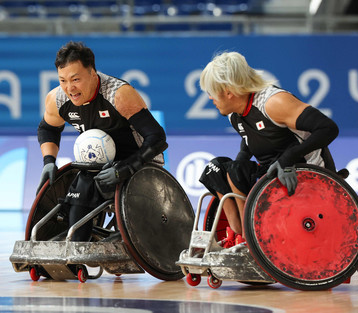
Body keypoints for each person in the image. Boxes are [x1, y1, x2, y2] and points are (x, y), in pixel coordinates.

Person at [199, 51, 339, 248]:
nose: (210, 98)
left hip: (304, 172)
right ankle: (237, 232)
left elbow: (328, 128)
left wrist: (288, 158)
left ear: (229, 91)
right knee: (215, 169)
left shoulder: (272, 103)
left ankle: (249, 239)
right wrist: (237, 166)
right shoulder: (234, 114)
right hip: (271, 174)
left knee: (235, 170)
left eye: (212, 92)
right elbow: (249, 141)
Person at [36, 41, 167, 241]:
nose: (69, 88)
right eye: (62, 80)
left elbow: (157, 138)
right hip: (99, 163)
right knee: (79, 188)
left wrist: (129, 167)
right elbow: (48, 129)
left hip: (138, 162)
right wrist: (48, 161)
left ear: (92, 74)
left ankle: (85, 242)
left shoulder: (119, 94)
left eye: (75, 79)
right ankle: (76, 247)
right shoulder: (57, 99)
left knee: (86, 184)